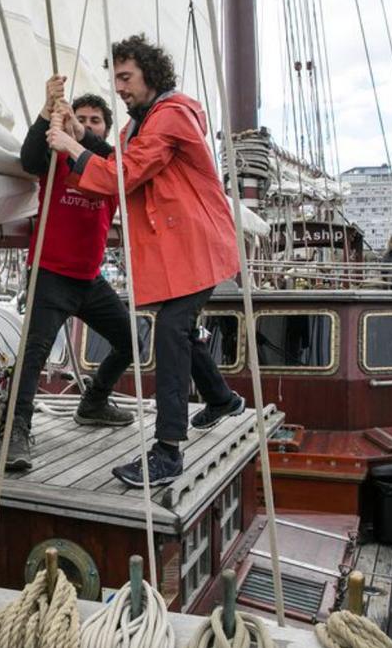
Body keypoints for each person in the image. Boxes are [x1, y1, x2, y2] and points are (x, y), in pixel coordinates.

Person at [48, 33, 245, 487]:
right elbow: (122, 160)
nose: (119, 86)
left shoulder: (170, 117)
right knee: (179, 330)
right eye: (115, 77)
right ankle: (220, 399)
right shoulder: (142, 123)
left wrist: (70, 147)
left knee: (173, 333)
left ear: (150, 74)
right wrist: (82, 138)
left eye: (126, 77)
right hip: (187, 250)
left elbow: (126, 175)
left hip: (195, 246)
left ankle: (167, 451)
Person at [6, 77, 135, 470]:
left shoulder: (113, 167)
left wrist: (81, 134)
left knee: (130, 340)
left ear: (105, 129)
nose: (88, 123)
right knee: (34, 357)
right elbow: (29, 160)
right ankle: (16, 433)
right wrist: (48, 114)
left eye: (95, 120)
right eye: (81, 118)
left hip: (89, 280)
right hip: (51, 274)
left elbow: (113, 161)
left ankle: (93, 402)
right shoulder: (57, 159)